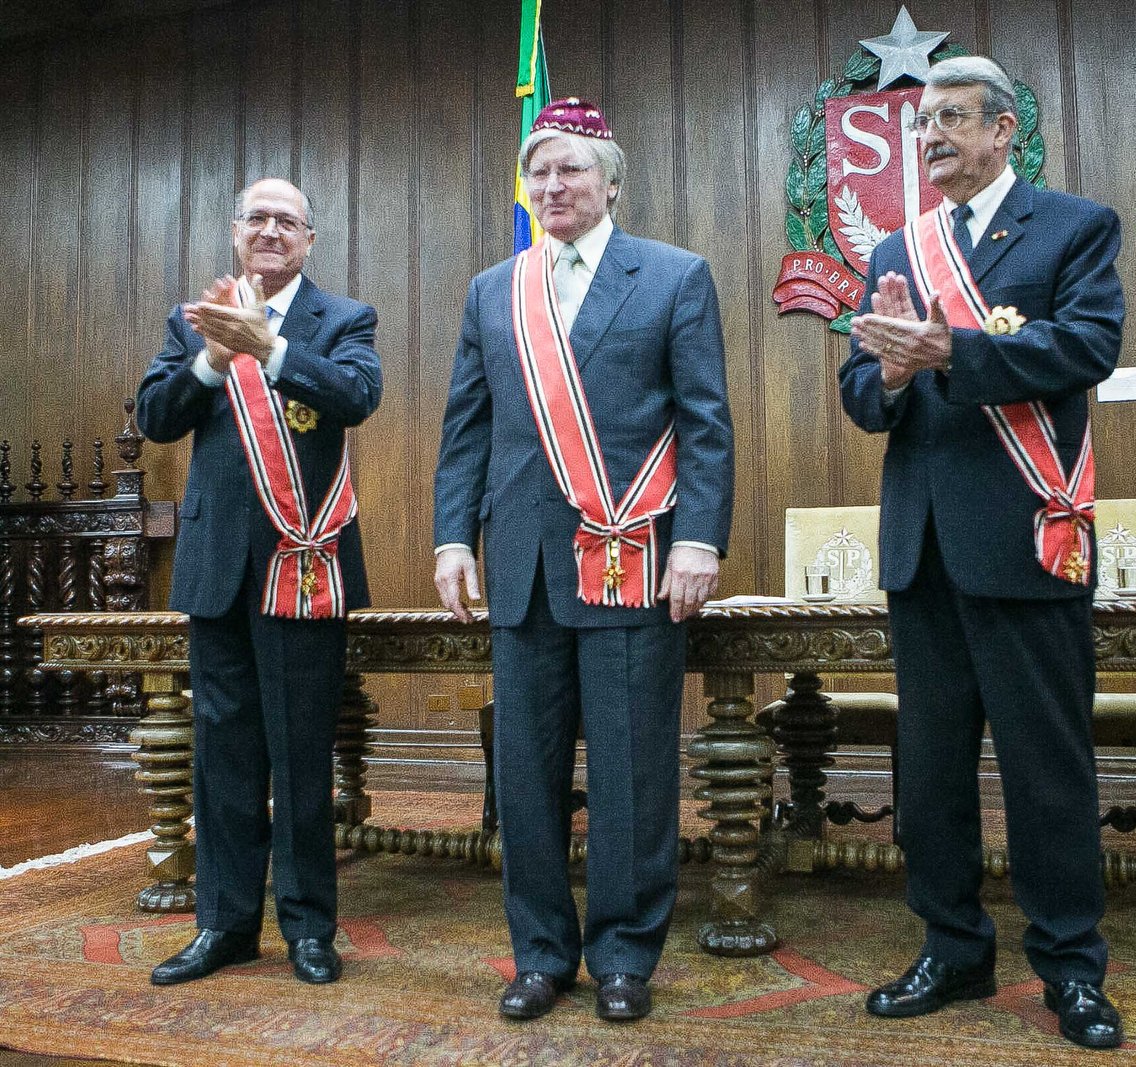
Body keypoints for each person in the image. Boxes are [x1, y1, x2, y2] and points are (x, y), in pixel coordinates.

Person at [839, 57, 1126, 1049]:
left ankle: (1072, 968)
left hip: (1023, 536)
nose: (932, 138)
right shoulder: (895, 245)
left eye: (953, 119)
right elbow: (860, 394)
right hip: (921, 547)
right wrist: (879, 374)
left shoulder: (1071, 228)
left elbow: (1086, 347)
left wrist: (952, 352)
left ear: (1005, 131)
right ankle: (952, 946)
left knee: (1047, 768)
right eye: (924, 124)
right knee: (928, 772)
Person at [433, 98, 734, 1023]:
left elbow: (705, 422)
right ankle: (540, 953)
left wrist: (698, 536)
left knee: (633, 768)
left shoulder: (676, 277)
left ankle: (623, 954)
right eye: (539, 171)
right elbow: (467, 426)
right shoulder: (495, 289)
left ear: (611, 181)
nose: (552, 185)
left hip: (631, 555)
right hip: (521, 561)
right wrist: (453, 534)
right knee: (522, 771)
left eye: (570, 168)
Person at [136, 178, 383, 986]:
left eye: (287, 220)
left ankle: (311, 927)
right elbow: (155, 417)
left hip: (302, 568)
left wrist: (270, 349)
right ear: (235, 234)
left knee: (302, 752)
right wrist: (213, 358)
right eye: (256, 218)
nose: (271, 230)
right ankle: (226, 925)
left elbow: (356, 394)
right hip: (215, 573)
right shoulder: (191, 323)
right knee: (225, 757)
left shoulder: (341, 320)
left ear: (310, 239)